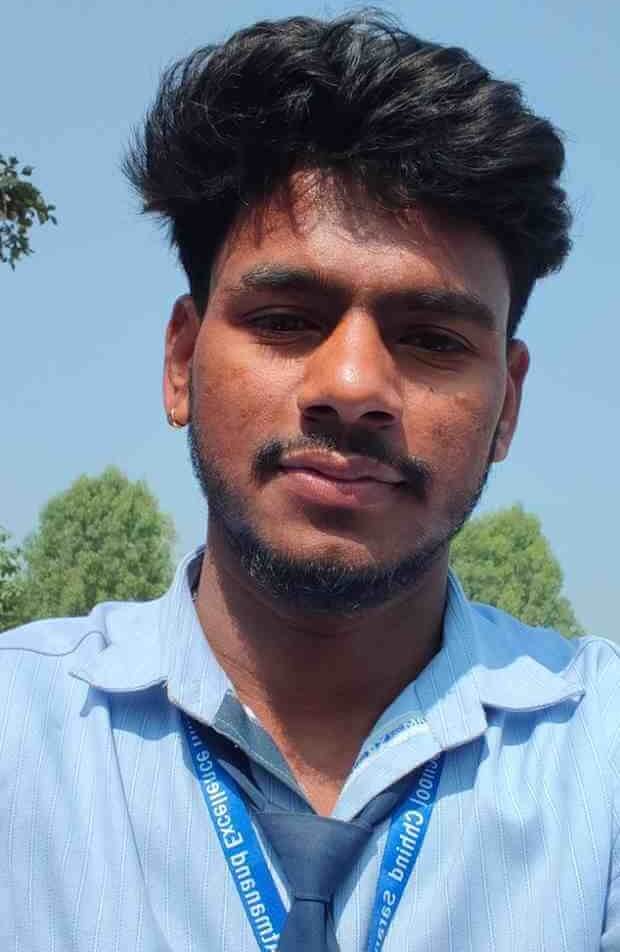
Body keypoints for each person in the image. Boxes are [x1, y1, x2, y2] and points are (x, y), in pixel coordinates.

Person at [2, 11, 618, 951]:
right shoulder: (19, 732)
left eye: (431, 339)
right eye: (286, 320)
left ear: (508, 404)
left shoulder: (599, 760)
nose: (353, 387)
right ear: (181, 361)